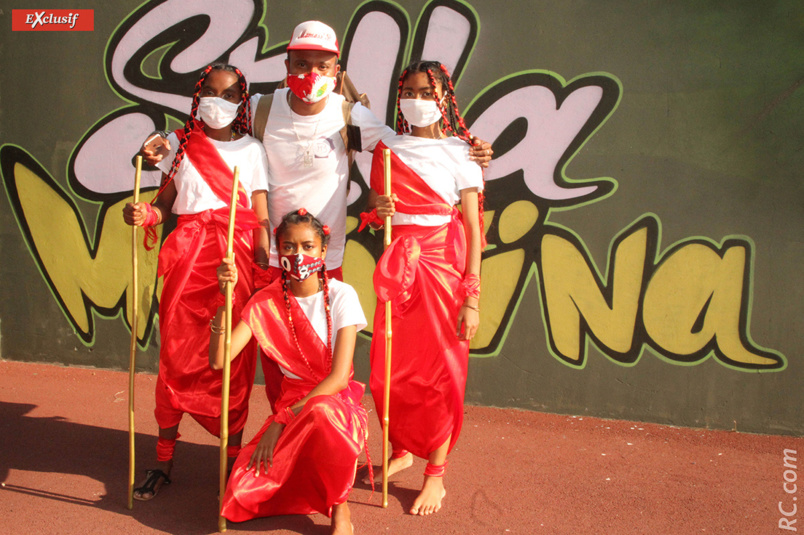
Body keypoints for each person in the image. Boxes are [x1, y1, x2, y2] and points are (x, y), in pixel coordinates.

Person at [141, 20, 492, 408]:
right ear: (287, 66)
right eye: (302, 64)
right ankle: (283, 430)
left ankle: (329, 432)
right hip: (271, 260)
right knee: (275, 363)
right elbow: (210, 130)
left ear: (336, 71)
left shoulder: (351, 116)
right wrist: (161, 142)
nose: (312, 74)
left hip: (326, 260)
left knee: (324, 362)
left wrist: (469, 147)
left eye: (322, 66)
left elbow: (414, 148)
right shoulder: (260, 108)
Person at [123, 63, 271, 500]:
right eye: (210, 91)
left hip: (234, 261)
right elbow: (165, 205)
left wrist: (262, 267)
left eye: (229, 95)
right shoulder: (180, 143)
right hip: (187, 261)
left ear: (241, 102)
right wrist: (145, 214)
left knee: (231, 361)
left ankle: (230, 464)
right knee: (176, 357)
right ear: (197, 94)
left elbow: (261, 216)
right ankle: (163, 461)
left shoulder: (252, 150)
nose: (218, 101)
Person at [361, 60, 484, 516]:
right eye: (409, 93)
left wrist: (471, 297)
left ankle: (436, 473)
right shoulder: (387, 149)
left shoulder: (462, 152)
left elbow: (473, 228)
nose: (417, 101)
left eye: (426, 93)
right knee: (390, 369)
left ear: (444, 98)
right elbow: (374, 211)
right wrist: (378, 210)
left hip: (443, 272)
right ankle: (401, 449)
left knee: (441, 374)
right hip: (399, 271)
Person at [210, 209, 368, 535]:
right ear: (278, 251)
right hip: (292, 404)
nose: (298, 255)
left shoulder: (342, 295)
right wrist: (225, 301)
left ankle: (340, 506)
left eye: (308, 247)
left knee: (322, 412)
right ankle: (306, 485)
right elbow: (219, 361)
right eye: (289, 247)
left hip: (334, 405)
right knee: (239, 496)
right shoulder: (264, 302)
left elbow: (339, 378)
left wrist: (280, 421)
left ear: (323, 250)